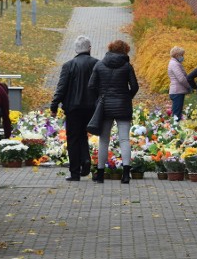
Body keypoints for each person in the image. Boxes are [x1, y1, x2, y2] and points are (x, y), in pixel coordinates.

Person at [88, 39, 139, 184]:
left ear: (110, 49)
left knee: (104, 140)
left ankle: (100, 174)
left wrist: (100, 98)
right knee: (124, 139)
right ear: (125, 51)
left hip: (105, 107)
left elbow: (91, 85)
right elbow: (134, 86)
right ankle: (125, 174)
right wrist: (126, 97)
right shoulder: (127, 66)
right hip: (123, 105)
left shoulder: (99, 65)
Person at [50, 36, 99, 181]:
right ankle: (85, 159)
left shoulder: (68, 65)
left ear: (76, 49)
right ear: (89, 48)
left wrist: (54, 106)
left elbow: (61, 88)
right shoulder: (97, 64)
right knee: (83, 135)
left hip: (73, 108)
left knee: (73, 138)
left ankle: (75, 173)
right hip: (91, 107)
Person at [167, 46, 193, 122]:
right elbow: (181, 78)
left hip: (177, 91)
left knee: (177, 113)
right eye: (182, 55)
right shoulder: (174, 64)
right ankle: (174, 131)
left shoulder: (174, 63)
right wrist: (189, 86)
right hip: (177, 91)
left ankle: (175, 130)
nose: (183, 57)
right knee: (176, 115)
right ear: (177, 55)